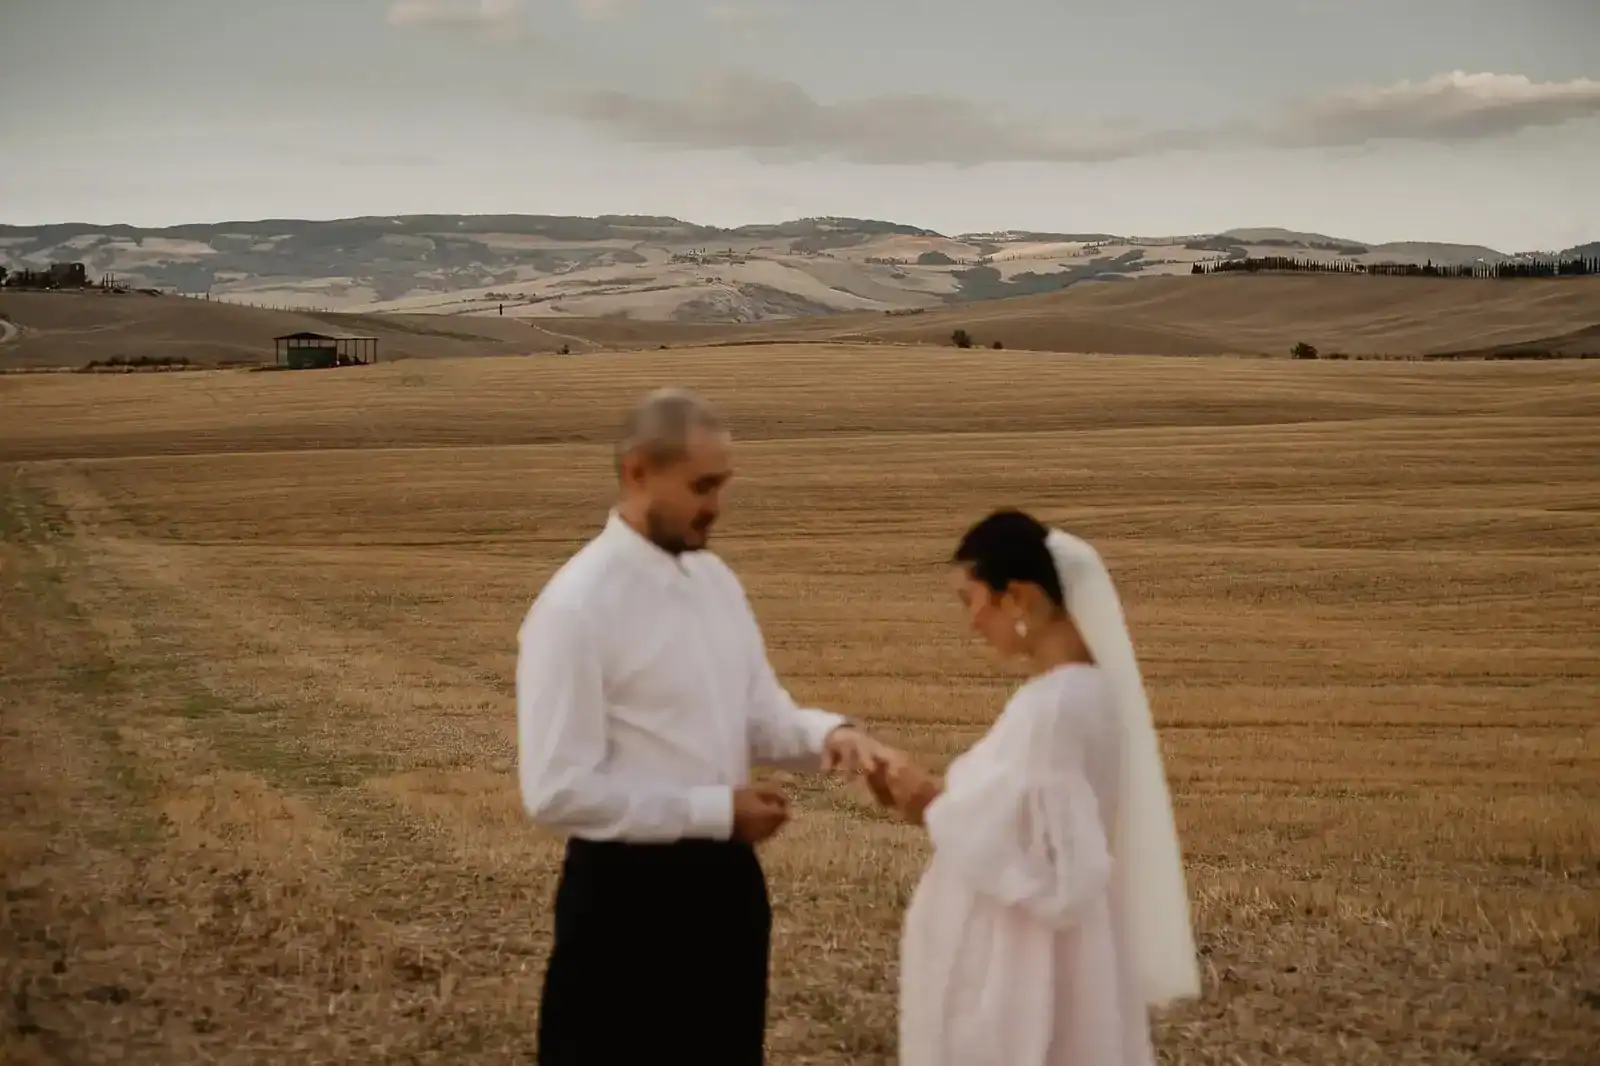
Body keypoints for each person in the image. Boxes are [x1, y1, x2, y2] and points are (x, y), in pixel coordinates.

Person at [516, 387, 891, 1066]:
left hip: (727, 895)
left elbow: (759, 717)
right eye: (702, 485)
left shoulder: (717, 582)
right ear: (638, 472)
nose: (716, 504)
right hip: (623, 905)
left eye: (722, 485)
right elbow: (556, 790)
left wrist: (832, 736)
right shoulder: (575, 609)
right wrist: (716, 811)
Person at [866, 509, 1201, 1066]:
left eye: (971, 599)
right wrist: (924, 803)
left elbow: (1048, 861)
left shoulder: (1059, 705)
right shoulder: (1074, 695)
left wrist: (928, 802)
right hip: (1055, 946)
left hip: (1028, 959)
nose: (972, 621)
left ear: (1017, 598)